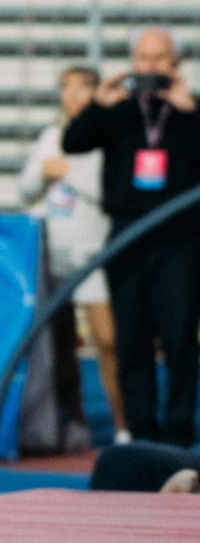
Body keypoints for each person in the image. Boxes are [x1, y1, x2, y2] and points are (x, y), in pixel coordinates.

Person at [63, 27, 199, 448]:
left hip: (178, 240)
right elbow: (73, 142)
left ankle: (179, 429)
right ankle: (141, 430)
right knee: (132, 339)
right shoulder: (118, 109)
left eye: (160, 58)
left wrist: (191, 112)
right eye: (143, 58)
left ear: (175, 63)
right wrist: (96, 105)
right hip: (127, 237)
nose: (151, 67)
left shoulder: (190, 109)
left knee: (179, 338)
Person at [19, 65, 123, 441]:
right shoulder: (51, 135)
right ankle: (75, 420)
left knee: (107, 340)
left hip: (93, 254)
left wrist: (68, 174)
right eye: (66, 88)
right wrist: (43, 173)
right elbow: (24, 188)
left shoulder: (107, 134)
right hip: (55, 254)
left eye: (82, 88)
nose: (73, 95)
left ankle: (123, 424)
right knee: (61, 342)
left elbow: (108, 191)